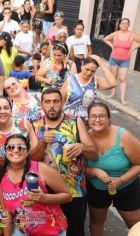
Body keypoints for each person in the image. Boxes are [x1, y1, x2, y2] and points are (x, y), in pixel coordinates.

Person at [31, 88, 98, 236]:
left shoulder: (75, 121)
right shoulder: (34, 125)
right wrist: (42, 143)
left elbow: (94, 154)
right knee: (46, 231)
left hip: (75, 191)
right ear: (41, 104)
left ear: (62, 102)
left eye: (56, 101)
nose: (52, 105)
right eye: (47, 102)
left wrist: (82, 147)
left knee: (75, 231)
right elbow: (31, 161)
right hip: (45, 192)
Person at [0, 134, 71, 235]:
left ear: (27, 152)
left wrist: (44, 198)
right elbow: (7, 214)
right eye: (10, 147)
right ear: (5, 152)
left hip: (52, 231)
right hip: (21, 232)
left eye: (21, 147)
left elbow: (68, 196)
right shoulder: (3, 179)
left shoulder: (41, 169)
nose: (15, 150)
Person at [86, 102, 140, 235]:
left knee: (135, 225)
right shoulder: (84, 137)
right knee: (96, 222)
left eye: (102, 116)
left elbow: (139, 164)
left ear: (109, 118)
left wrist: (120, 180)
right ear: (88, 119)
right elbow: (79, 168)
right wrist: (95, 171)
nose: (97, 120)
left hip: (127, 188)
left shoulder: (123, 136)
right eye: (93, 116)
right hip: (96, 189)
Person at [60, 55, 116, 121]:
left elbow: (113, 83)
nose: (89, 73)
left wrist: (101, 63)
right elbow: (61, 100)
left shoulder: (96, 80)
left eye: (93, 71)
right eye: (87, 69)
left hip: (88, 121)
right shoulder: (70, 80)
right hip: (69, 120)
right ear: (82, 65)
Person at [103, 18, 140, 105]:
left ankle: (122, 99)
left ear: (128, 25)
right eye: (122, 23)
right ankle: (113, 93)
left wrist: (132, 49)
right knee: (113, 77)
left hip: (125, 60)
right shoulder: (116, 34)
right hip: (114, 59)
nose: (124, 25)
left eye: (126, 23)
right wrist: (112, 46)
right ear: (119, 25)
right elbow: (105, 39)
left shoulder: (132, 35)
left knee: (122, 79)